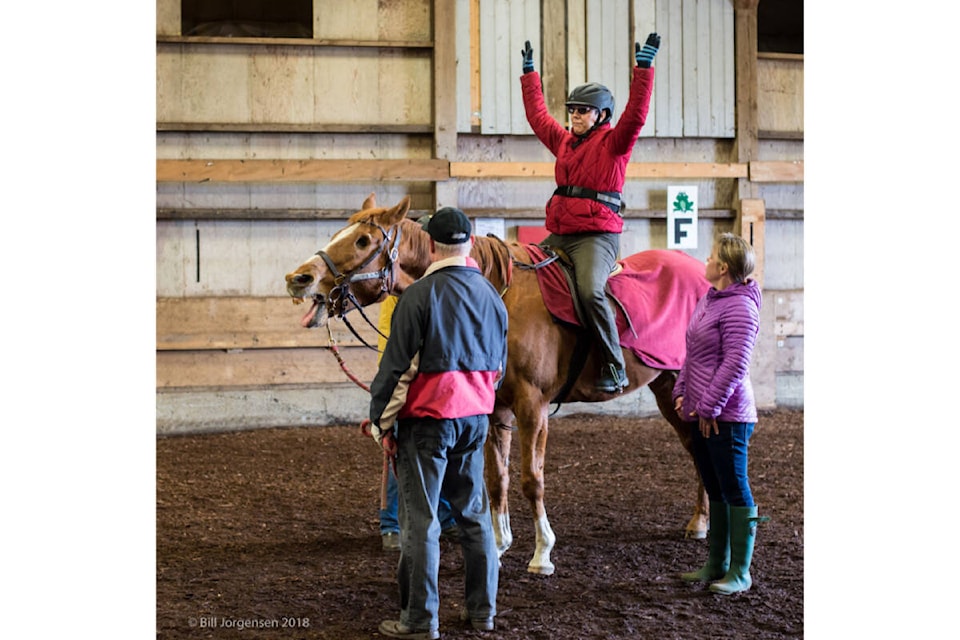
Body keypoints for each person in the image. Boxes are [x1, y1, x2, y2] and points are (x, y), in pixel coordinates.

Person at [368, 207, 508, 639]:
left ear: (429, 245)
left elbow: (397, 370)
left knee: (421, 521)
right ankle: (482, 612)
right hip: (475, 420)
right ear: (468, 244)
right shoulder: (492, 297)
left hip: (428, 422)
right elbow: (498, 365)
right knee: (474, 516)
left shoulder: (419, 296)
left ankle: (418, 619)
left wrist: (380, 423)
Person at [519, 32, 660, 394]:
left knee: (589, 291)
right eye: (572, 110)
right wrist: (529, 76)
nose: (575, 116)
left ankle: (614, 365)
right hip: (561, 232)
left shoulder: (615, 143)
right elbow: (537, 117)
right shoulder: (564, 142)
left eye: (582, 111)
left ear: (601, 115)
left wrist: (643, 70)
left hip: (596, 238)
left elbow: (637, 114)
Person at [672, 232, 765, 595]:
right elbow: (692, 353)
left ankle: (741, 572)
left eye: (710, 257)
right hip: (702, 412)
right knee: (715, 487)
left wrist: (708, 405)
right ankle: (717, 563)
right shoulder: (711, 299)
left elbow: (735, 364)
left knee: (735, 488)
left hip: (727, 416)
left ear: (723, 267)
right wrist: (682, 391)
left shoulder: (740, 307)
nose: (705, 261)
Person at [376, 290, 460, 552]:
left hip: (437, 389)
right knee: (399, 456)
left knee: (442, 455)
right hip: (410, 388)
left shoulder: (437, 290)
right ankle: (391, 524)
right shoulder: (397, 298)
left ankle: (444, 516)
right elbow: (388, 349)